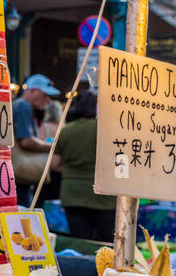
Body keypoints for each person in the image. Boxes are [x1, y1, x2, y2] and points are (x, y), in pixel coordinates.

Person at [50, 91, 115, 241]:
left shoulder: (66, 130)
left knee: (80, 241)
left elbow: (54, 164)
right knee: (107, 242)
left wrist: (72, 170)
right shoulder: (107, 129)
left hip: (72, 193)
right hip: (104, 196)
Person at [11, 73, 61, 205]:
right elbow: (26, 141)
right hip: (19, 176)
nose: (47, 99)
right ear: (32, 91)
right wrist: (52, 146)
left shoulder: (18, 105)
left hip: (18, 175)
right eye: (44, 94)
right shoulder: (23, 106)